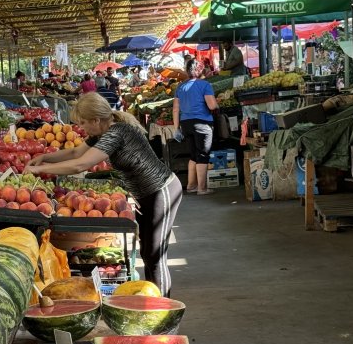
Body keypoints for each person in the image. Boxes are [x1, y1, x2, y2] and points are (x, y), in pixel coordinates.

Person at [25, 92, 182, 297]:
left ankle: (165, 314)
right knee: (147, 253)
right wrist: (45, 157)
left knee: (155, 256)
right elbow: (75, 153)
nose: (81, 128)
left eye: (83, 123)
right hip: (145, 195)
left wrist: (40, 170)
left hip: (161, 191)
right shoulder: (103, 132)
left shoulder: (116, 134)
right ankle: (154, 306)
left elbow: (81, 164)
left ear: (96, 120)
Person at [174, 59, 219, 195]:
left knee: (193, 155)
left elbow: (175, 109)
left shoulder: (180, 87)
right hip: (202, 123)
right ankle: (202, 188)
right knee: (202, 155)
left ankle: (191, 185)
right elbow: (211, 106)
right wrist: (217, 104)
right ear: (199, 70)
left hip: (186, 124)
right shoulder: (205, 85)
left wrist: (176, 128)